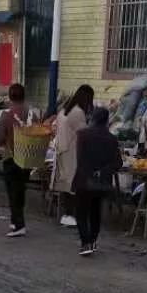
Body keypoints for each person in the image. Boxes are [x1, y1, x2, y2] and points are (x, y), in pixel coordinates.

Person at [72, 107, 122, 256]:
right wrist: (102, 171)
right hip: (101, 182)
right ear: (107, 121)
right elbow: (118, 162)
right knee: (95, 211)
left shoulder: (82, 135)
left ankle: (85, 243)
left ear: (92, 118)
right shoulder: (112, 139)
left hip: (84, 179)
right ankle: (93, 241)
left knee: (81, 212)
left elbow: (80, 158)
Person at [0, 83, 36, 238]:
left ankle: (19, 225)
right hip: (28, 158)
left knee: (13, 193)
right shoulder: (32, 115)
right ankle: (15, 220)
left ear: (10, 97)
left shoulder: (6, 115)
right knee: (21, 190)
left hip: (11, 158)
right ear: (24, 95)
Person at [53, 85, 94, 230]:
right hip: (72, 151)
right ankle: (71, 216)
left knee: (66, 184)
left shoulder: (64, 110)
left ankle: (67, 215)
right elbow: (84, 135)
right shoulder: (77, 113)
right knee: (73, 185)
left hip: (61, 150)